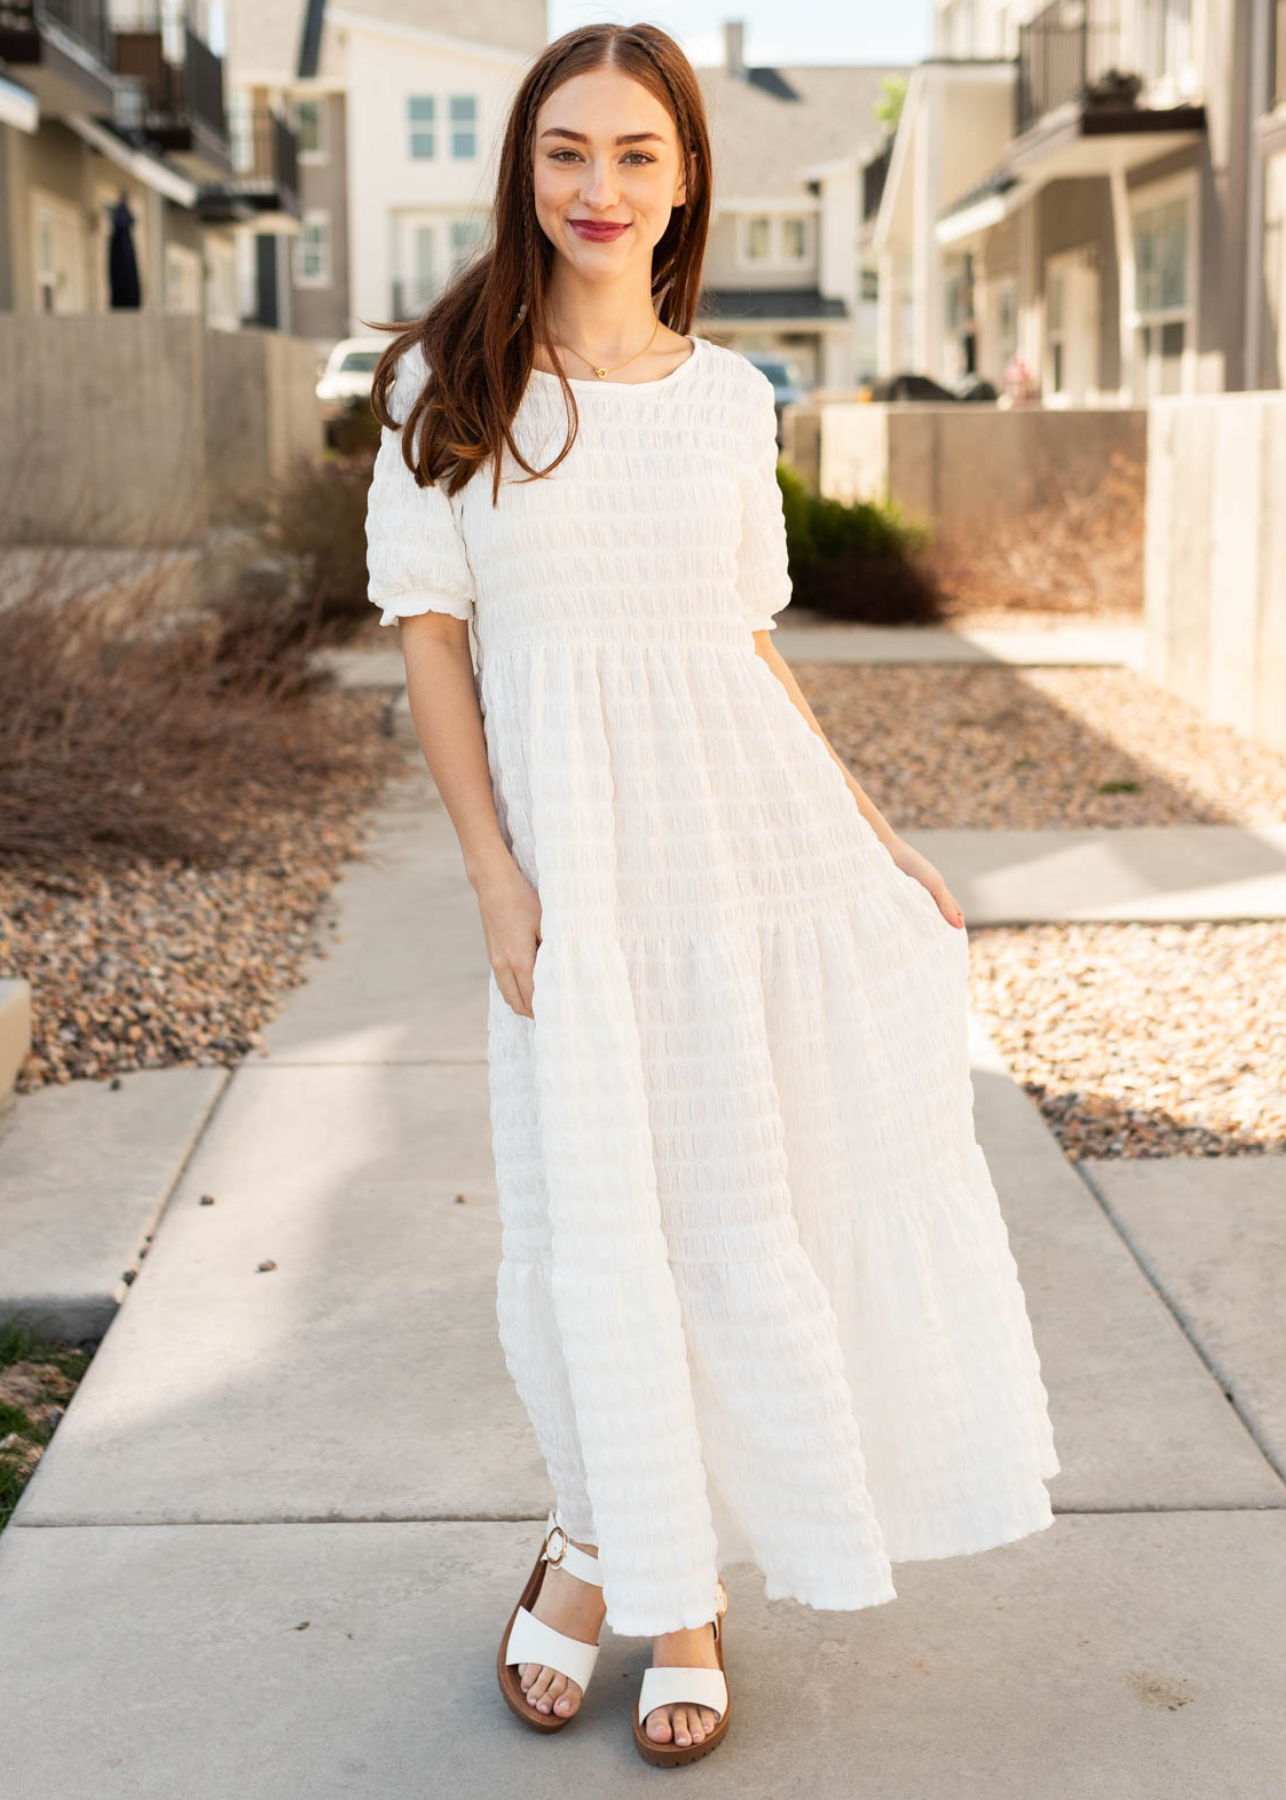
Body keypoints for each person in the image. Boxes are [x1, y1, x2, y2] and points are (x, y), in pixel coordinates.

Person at [363, 22, 1059, 1769]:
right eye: (566, 153)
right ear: (524, 172)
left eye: (636, 157)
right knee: (599, 1216)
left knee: (743, 1203)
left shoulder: (734, 398)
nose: (600, 190)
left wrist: (869, 826)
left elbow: (742, 649)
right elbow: (432, 641)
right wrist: (493, 879)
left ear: (686, 178)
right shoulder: (448, 389)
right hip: (579, 882)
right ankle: (601, 1537)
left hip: (740, 856)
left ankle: (679, 1599)